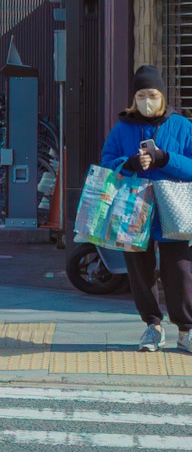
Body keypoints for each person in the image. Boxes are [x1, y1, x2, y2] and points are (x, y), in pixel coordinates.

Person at [100, 64, 192, 352]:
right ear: (133, 98)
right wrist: (127, 164)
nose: (146, 101)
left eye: (152, 94)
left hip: (172, 205)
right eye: (141, 95)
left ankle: (186, 328)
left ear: (163, 96)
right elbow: (107, 163)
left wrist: (165, 158)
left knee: (179, 269)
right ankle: (152, 326)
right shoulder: (122, 127)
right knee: (139, 269)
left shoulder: (182, 126)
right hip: (133, 205)